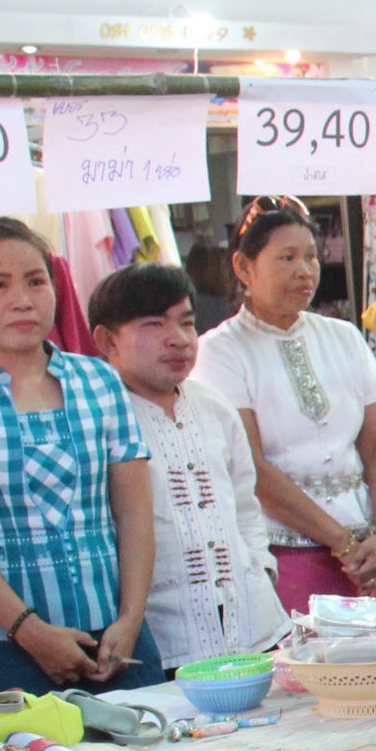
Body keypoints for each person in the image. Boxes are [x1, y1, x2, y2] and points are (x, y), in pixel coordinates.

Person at [0, 219, 158, 695]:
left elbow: (134, 512)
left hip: (114, 640)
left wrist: (130, 618)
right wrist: (31, 631)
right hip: (0, 649)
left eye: (36, 281)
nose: (22, 299)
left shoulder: (99, 380)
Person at [193, 197, 376, 609]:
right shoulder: (220, 351)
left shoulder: (343, 337)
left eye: (311, 256)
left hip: (363, 557)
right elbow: (251, 467)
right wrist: (340, 541)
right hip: (280, 556)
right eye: (287, 257)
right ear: (243, 267)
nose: (305, 270)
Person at [87, 263, 287, 669]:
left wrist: (260, 567)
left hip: (252, 626)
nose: (178, 339)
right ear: (107, 340)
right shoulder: (98, 419)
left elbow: (245, 506)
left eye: (187, 323)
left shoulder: (213, 406)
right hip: (163, 639)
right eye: (154, 324)